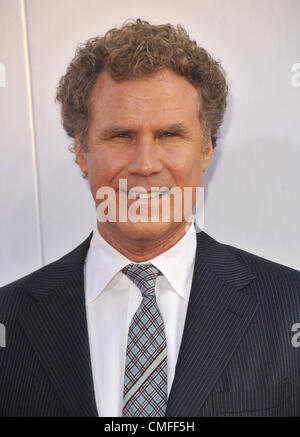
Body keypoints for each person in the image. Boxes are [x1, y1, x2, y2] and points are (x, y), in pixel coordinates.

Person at [0, 19, 299, 418]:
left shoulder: (290, 307)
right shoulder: (9, 320)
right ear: (82, 149)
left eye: (170, 135)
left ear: (207, 148)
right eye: (121, 135)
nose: (145, 164)